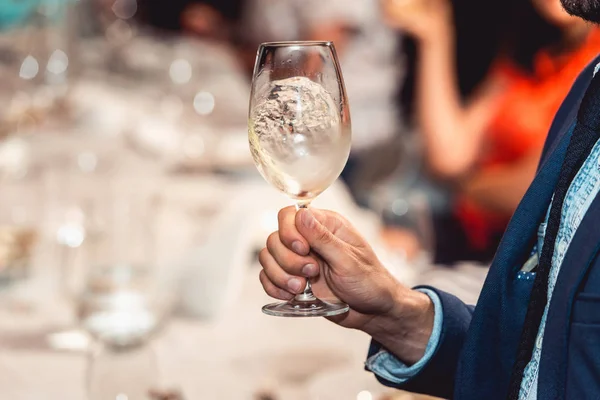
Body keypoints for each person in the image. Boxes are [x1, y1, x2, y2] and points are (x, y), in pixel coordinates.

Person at [258, 0, 600, 397]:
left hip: (476, 242)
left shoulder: (583, 65)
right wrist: (395, 314)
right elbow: (538, 358)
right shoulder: (576, 80)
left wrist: (466, 188)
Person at [383, 0, 600, 264]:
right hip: (479, 239)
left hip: (532, 256)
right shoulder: (533, 49)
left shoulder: (593, 60)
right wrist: (435, 37)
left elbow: (535, 185)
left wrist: (467, 187)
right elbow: (450, 156)